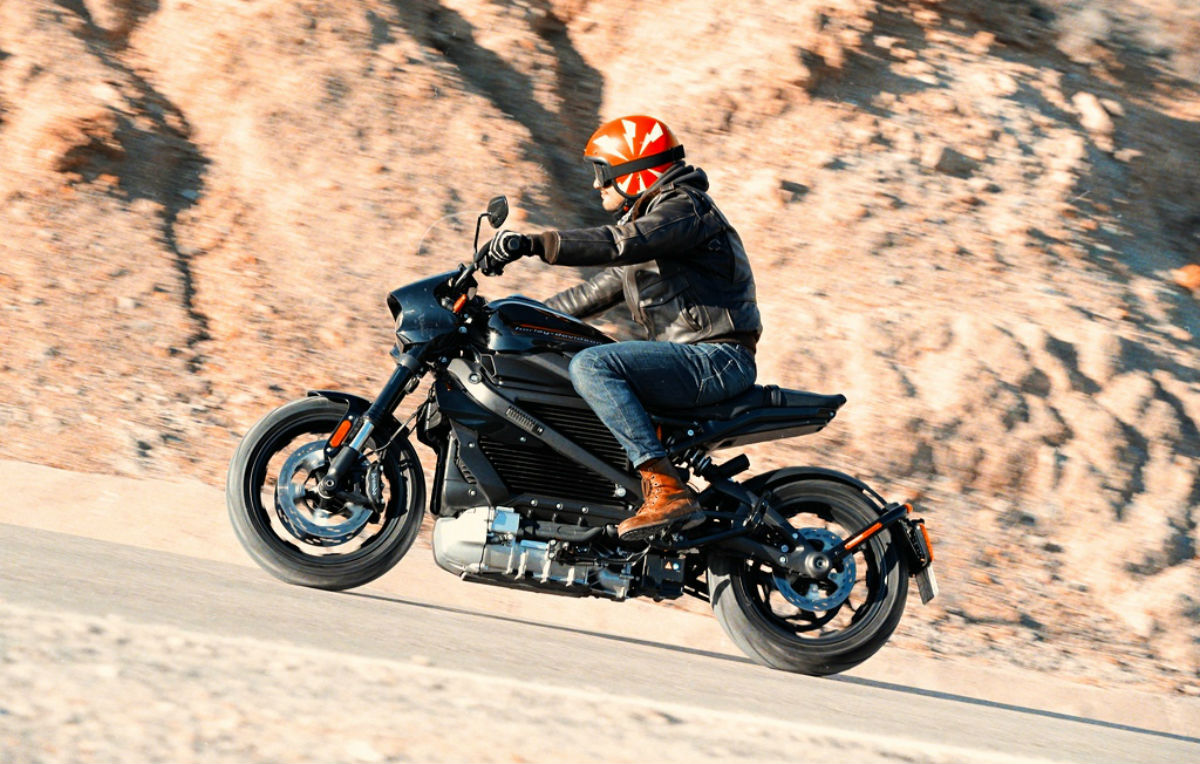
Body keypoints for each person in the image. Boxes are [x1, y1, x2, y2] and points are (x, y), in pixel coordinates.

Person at [478, 115, 762, 542]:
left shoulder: (684, 209)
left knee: (594, 366)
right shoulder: (661, 229)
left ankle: (666, 489)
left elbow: (619, 242)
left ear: (636, 170)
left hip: (716, 359)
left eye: (604, 173)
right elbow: (590, 294)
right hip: (693, 360)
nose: (597, 185)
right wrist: (505, 317)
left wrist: (534, 243)